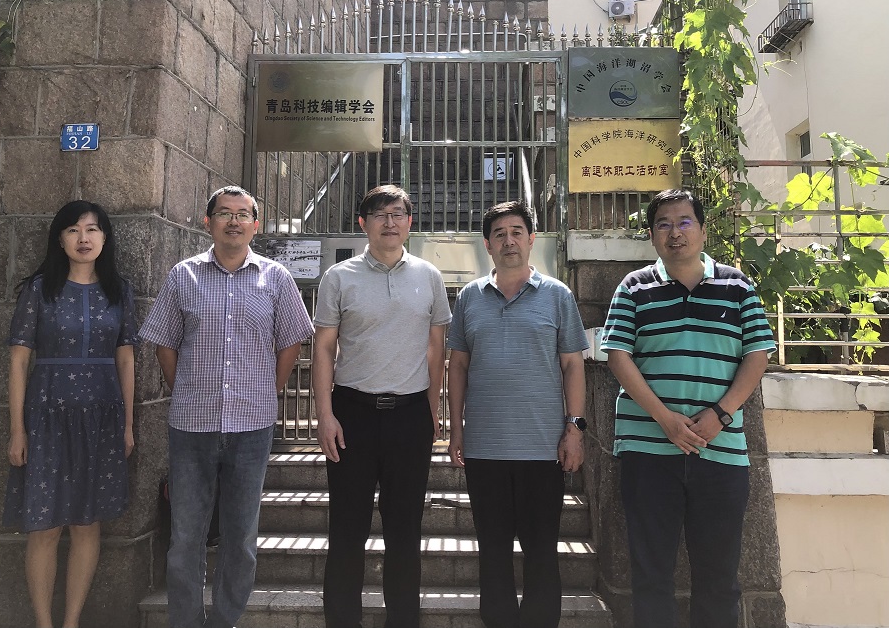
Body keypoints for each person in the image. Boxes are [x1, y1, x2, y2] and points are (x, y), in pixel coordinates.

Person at [139, 186, 314, 628]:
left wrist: (268, 390)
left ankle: (224, 620)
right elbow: (164, 343)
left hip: (251, 427)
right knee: (186, 537)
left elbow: (291, 341)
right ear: (208, 222)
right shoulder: (184, 276)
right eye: (224, 213)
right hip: (191, 427)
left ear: (256, 225)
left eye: (242, 214)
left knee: (241, 538)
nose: (233, 221)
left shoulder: (276, 278)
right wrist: (186, 390)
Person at [600, 189, 775, 628]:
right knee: (650, 577)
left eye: (684, 222)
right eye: (663, 224)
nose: (674, 232)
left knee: (719, 580)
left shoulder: (737, 286)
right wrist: (666, 421)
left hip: (720, 453)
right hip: (648, 452)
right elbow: (618, 356)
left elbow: (757, 355)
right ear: (652, 235)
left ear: (702, 229)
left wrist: (720, 414)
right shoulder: (633, 288)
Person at [313, 184, 452, 628]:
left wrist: (432, 409)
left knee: (405, 530)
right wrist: (325, 414)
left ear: (410, 222)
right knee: (347, 529)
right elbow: (323, 348)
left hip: (409, 415)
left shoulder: (429, 276)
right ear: (363, 223)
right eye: (379, 215)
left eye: (397, 214)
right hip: (351, 413)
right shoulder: (339, 277)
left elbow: (437, 348)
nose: (389, 223)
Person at [446, 200, 589, 628]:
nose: (508, 241)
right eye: (499, 234)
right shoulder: (469, 297)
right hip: (485, 448)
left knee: (541, 550)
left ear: (531, 240)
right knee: (492, 550)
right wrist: (457, 430)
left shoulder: (557, 295)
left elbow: (573, 366)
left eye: (516, 232)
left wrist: (575, 429)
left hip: (543, 449)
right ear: (487, 245)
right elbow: (458, 366)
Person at [4, 200, 138, 628]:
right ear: (59, 239)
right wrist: (17, 429)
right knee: (44, 526)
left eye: (93, 229)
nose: (84, 238)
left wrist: (128, 425)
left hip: (101, 419)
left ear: (105, 238)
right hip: (46, 416)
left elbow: (126, 360)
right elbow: (19, 361)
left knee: (86, 524)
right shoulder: (39, 290)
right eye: (73, 230)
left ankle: (71, 622)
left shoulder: (120, 291)